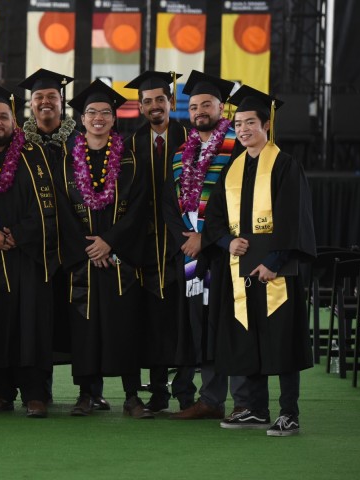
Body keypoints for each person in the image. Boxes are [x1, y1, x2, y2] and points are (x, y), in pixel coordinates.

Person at [203, 86, 315, 436]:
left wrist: (275, 262)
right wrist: (226, 241)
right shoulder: (233, 168)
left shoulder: (284, 165)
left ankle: (289, 413)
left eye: (251, 122)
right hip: (241, 271)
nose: (244, 129)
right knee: (248, 338)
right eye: (238, 124)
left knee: (280, 341)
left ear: (267, 125)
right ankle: (255, 409)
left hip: (276, 272)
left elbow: (293, 219)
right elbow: (215, 217)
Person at [54, 79, 150, 418]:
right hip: (83, 261)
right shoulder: (66, 162)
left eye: (105, 113)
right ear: (81, 119)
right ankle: (86, 394)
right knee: (84, 327)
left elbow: (139, 209)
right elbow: (63, 213)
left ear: (114, 119)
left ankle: (132, 397)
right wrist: (88, 249)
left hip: (120, 260)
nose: (98, 118)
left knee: (124, 326)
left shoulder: (131, 162)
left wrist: (110, 242)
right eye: (91, 112)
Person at [0, 82, 58, 418]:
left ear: (14, 120)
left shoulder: (34, 155)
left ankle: (35, 393)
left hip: (29, 257)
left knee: (31, 325)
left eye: (3, 116)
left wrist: (19, 234)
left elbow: (48, 205)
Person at [19, 68, 108, 409]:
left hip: (80, 247)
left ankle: (90, 391)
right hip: (36, 249)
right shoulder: (20, 146)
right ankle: (37, 392)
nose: (45, 102)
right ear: (31, 104)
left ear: (62, 104)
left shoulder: (81, 141)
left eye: (51, 97)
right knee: (37, 321)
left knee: (84, 319)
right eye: (39, 97)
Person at [164, 71, 248, 421]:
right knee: (204, 325)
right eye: (194, 105)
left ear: (221, 107)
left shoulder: (238, 146)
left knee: (232, 324)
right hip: (193, 255)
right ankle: (211, 399)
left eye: (207, 104)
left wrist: (206, 237)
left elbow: (243, 202)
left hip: (228, 252)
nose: (200, 111)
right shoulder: (181, 153)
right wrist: (185, 239)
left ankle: (245, 401)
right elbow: (171, 204)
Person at [124, 71, 194, 412]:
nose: (154, 106)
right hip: (144, 248)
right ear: (140, 106)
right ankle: (158, 393)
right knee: (152, 321)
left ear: (171, 102)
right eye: (147, 101)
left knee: (183, 318)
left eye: (160, 100)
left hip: (184, 243)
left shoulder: (190, 139)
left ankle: (185, 393)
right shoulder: (130, 144)